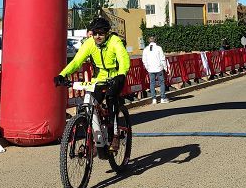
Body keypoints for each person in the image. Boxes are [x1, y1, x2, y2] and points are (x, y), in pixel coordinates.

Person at [55, 17, 130, 148]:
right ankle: (94, 139)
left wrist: (122, 74)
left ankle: (115, 134)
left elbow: (123, 58)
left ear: (106, 33)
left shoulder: (114, 41)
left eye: (101, 33)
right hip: (98, 80)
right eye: (95, 33)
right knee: (88, 104)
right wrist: (63, 74)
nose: (97, 36)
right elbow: (76, 61)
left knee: (112, 98)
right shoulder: (90, 43)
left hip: (115, 77)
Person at [141, 35, 169, 104]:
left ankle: (154, 99)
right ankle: (162, 98)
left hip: (150, 69)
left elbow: (144, 60)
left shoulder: (146, 49)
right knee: (161, 83)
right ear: (155, 41)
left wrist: (147, 67)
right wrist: (165, 67)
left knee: (152, 83)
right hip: (159, 67)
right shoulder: (159, 48)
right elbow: (162, 58)